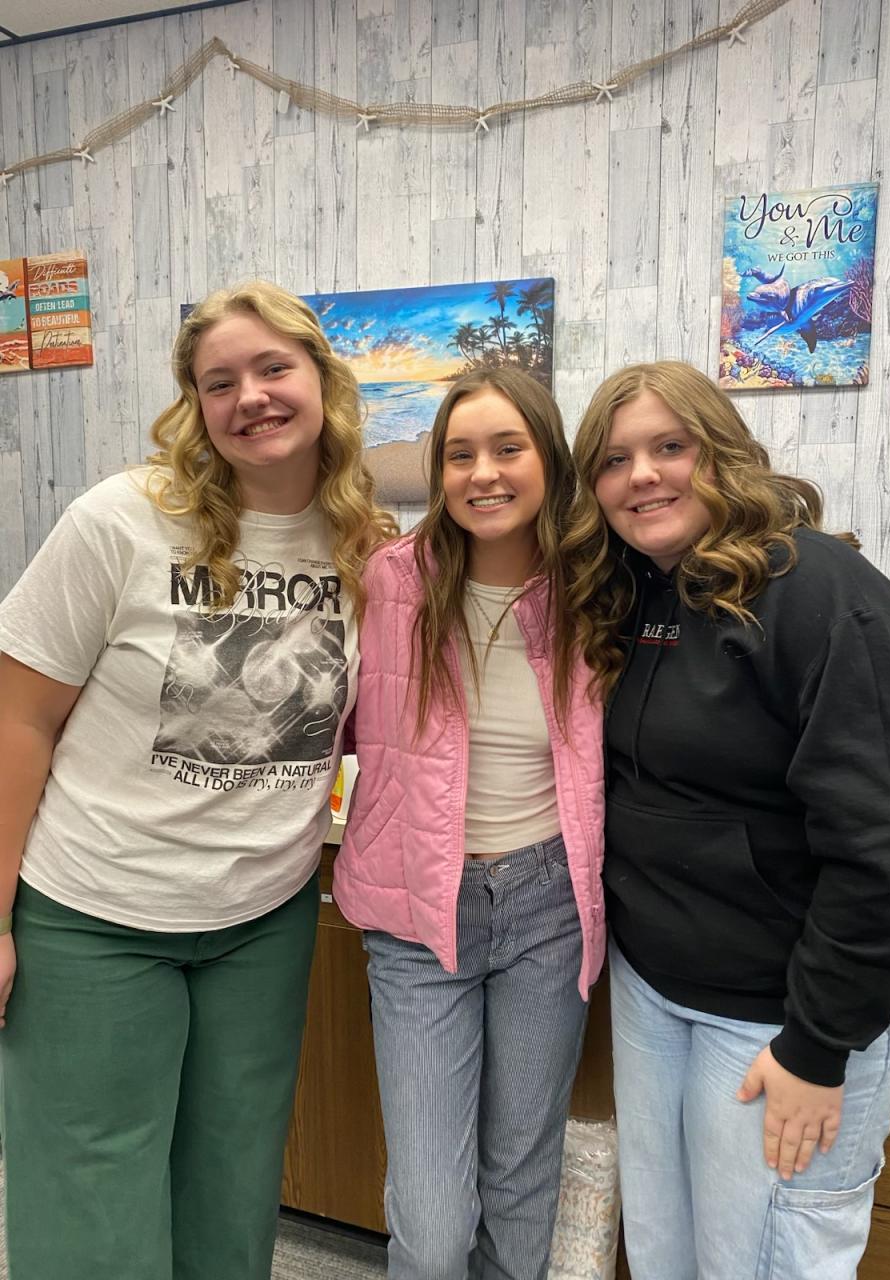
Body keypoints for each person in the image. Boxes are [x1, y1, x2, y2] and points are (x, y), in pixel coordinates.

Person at [0, 281, 395, 1280]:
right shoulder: (121, 520)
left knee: (231, 1182)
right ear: (195, 404)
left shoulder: (367, 544)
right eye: (219, 382)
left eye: (273, 368)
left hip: (261, 916)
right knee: (93, 1197)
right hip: (96, 910)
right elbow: (18, 719)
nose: (249, 396)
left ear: (322, 381)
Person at [566, 360, 890, 1280]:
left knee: (765, 1259)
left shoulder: (823, 593)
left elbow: (887, 853)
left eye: (670, 446)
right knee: (664, 1252)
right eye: (613, 460)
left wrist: (817, 1049)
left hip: (787, 1010)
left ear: (723, 451)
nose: (641, 475)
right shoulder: (638, 591)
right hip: (661, 988)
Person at [333, 367, 605, 1279]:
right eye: (459, 454)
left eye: (507, 448)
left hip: (547, 907)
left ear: (549, 459)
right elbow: (325, 717)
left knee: (521, 1186)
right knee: (435, 1220)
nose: (482, 473)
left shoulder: (594, 587)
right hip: (416, 912)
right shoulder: (390, 581)